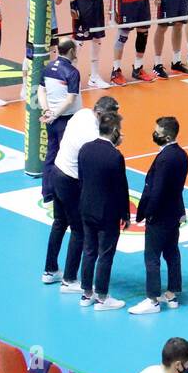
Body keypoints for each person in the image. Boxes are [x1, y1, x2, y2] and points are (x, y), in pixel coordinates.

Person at [47, 94, 118, 296]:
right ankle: (69, 279)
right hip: (71, 179)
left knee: (60, 223)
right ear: (100, 114)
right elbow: (99, 159)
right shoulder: (94, 136)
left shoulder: (82, 114)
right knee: (79, 230)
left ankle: (50, 269)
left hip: (57, 171)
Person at [129, 116, 188, 315]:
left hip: (161, 215)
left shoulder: (164, 159)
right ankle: (172, 293)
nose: (155, 135)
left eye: (158, 132)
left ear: (168, 135)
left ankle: (152, 299)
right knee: (172, 252)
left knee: (152, 256)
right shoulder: (182, 155)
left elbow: (158, 190)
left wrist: (148, 213)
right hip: (174, 212)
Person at [37, 39, 81, 283]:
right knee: (63, 157)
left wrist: (45, 110)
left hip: (52, 118)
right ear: (72, 52)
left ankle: (48, 192)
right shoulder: (71, 72)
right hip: (63, 120)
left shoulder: (48, 68)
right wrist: (55, 113)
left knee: (51, 155)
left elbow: (41, 91)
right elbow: (72, 99)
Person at [78, 109, 129, 311]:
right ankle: (102, 297)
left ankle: (86, 293)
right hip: (107, 212)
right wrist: (124, 213)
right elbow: (120, 188)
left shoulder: (85, 149)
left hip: (86, 207)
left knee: (89, 250)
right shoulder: (115, 156)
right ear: (115, 130)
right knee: (105, 254)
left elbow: (82, 179)